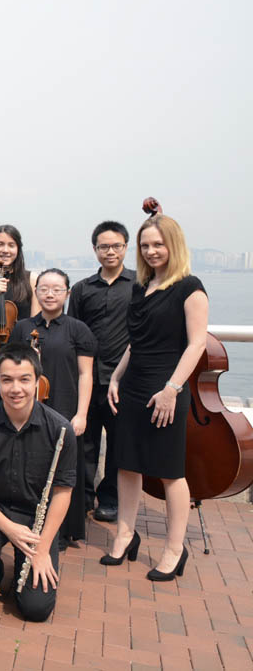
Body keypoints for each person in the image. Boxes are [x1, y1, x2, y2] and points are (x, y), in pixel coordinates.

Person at [105, 215, 208, 582]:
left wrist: (171, 389)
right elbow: (136, 342)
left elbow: (197, 344)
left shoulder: (190, 287)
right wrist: (116, 376)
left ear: (173, 245)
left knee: (169, 472)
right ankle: (125, 534)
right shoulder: (142, 287)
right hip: (133, 385)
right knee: (126, 464)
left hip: (167, 389)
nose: (151, 251)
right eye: (145, 245)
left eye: (158, 244)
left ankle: (175, 549)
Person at [0, 343, 77, 622]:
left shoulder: (60, 429)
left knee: (36, 610)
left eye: (24, 380)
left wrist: (42, 549)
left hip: (36, 518)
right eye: (7, 380)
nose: (16, 389)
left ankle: (29, 563)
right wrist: (9, 528)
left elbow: (63, 492)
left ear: (37, 382)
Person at [10, 269, 96, 544]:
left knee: (62, 471)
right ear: (35, 292)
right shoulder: (23, 328)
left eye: (57, 289)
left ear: (67, 293)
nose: (49, 294)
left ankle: (60, 531)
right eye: (44, 289)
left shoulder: (78, 329)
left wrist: (81, 414)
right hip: (28, 410)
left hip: (65, 407)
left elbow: (85, 374)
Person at [68, 221, 134, 522]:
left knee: (120, 443)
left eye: (116, 246)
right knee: (86, 442)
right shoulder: (82, 289)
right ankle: (83, 498)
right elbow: (73, 331)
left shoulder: (139, 285)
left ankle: (110, 498)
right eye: (104, 246)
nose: (110, 251)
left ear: (125, 247)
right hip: (88, 378)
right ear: (95, 249)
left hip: (123, 381)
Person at [0, 225, 39, 325]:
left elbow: (36, 321)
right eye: (0, 244)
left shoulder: (31, 279)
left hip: (23, 335)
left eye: (11, 245)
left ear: (18, 249)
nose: (5, 250)